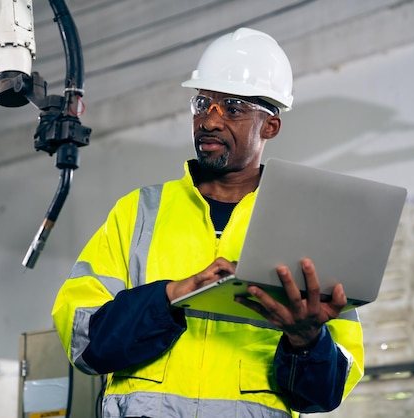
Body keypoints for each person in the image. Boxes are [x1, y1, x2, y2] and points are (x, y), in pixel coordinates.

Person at [52, 27, 364, 418]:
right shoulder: (139, 211)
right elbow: (85, 342)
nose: (210, 121)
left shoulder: (304, 226)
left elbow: (326, 393)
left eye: (232, 107)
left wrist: (306, 341)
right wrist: (171, 296)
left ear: (270, 126)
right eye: (202, 104)